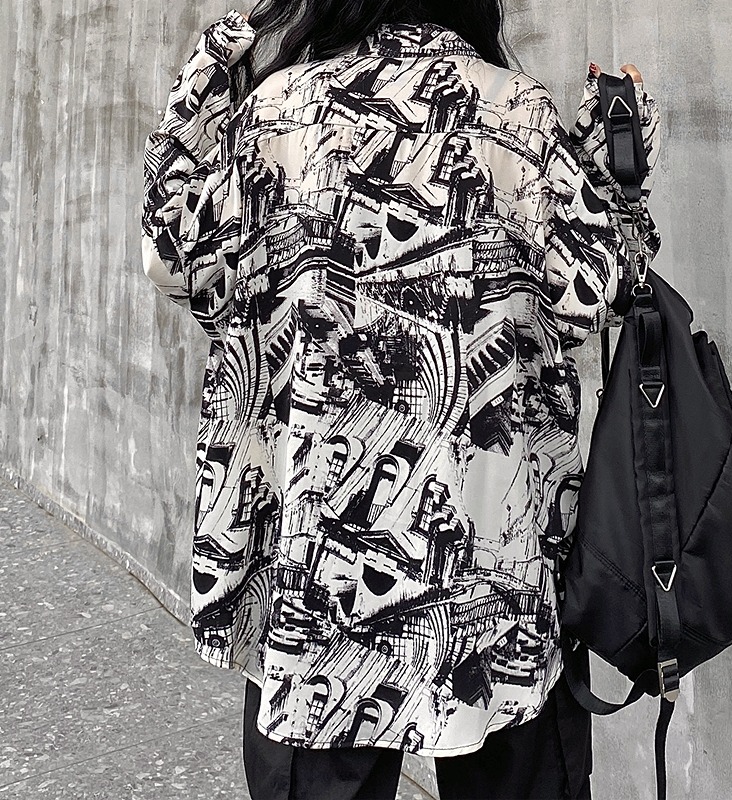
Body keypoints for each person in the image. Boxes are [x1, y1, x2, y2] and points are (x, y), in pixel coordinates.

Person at [141, 2, 662, 798]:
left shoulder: (276, 114)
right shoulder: (517, 114)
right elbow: (599, 291)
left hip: (319, 576)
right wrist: (614, 160)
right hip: (496, 567)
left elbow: (177, 258)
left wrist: (217, 64)